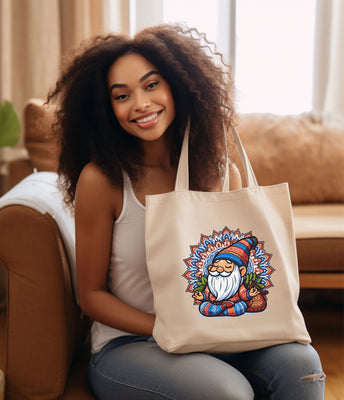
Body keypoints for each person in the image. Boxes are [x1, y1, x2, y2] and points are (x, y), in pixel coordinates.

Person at [48, 24, 325, 400]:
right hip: (133, 345)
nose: (141, 104)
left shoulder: (221, 171)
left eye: (151, 85)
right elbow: (91, 295)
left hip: (221, 333)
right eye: (121, 95)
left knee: (302, 366)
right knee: (228, 393)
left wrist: (215, 323)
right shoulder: (102, 181)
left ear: (178, 85)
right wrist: (170, 325)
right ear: (106, 108)